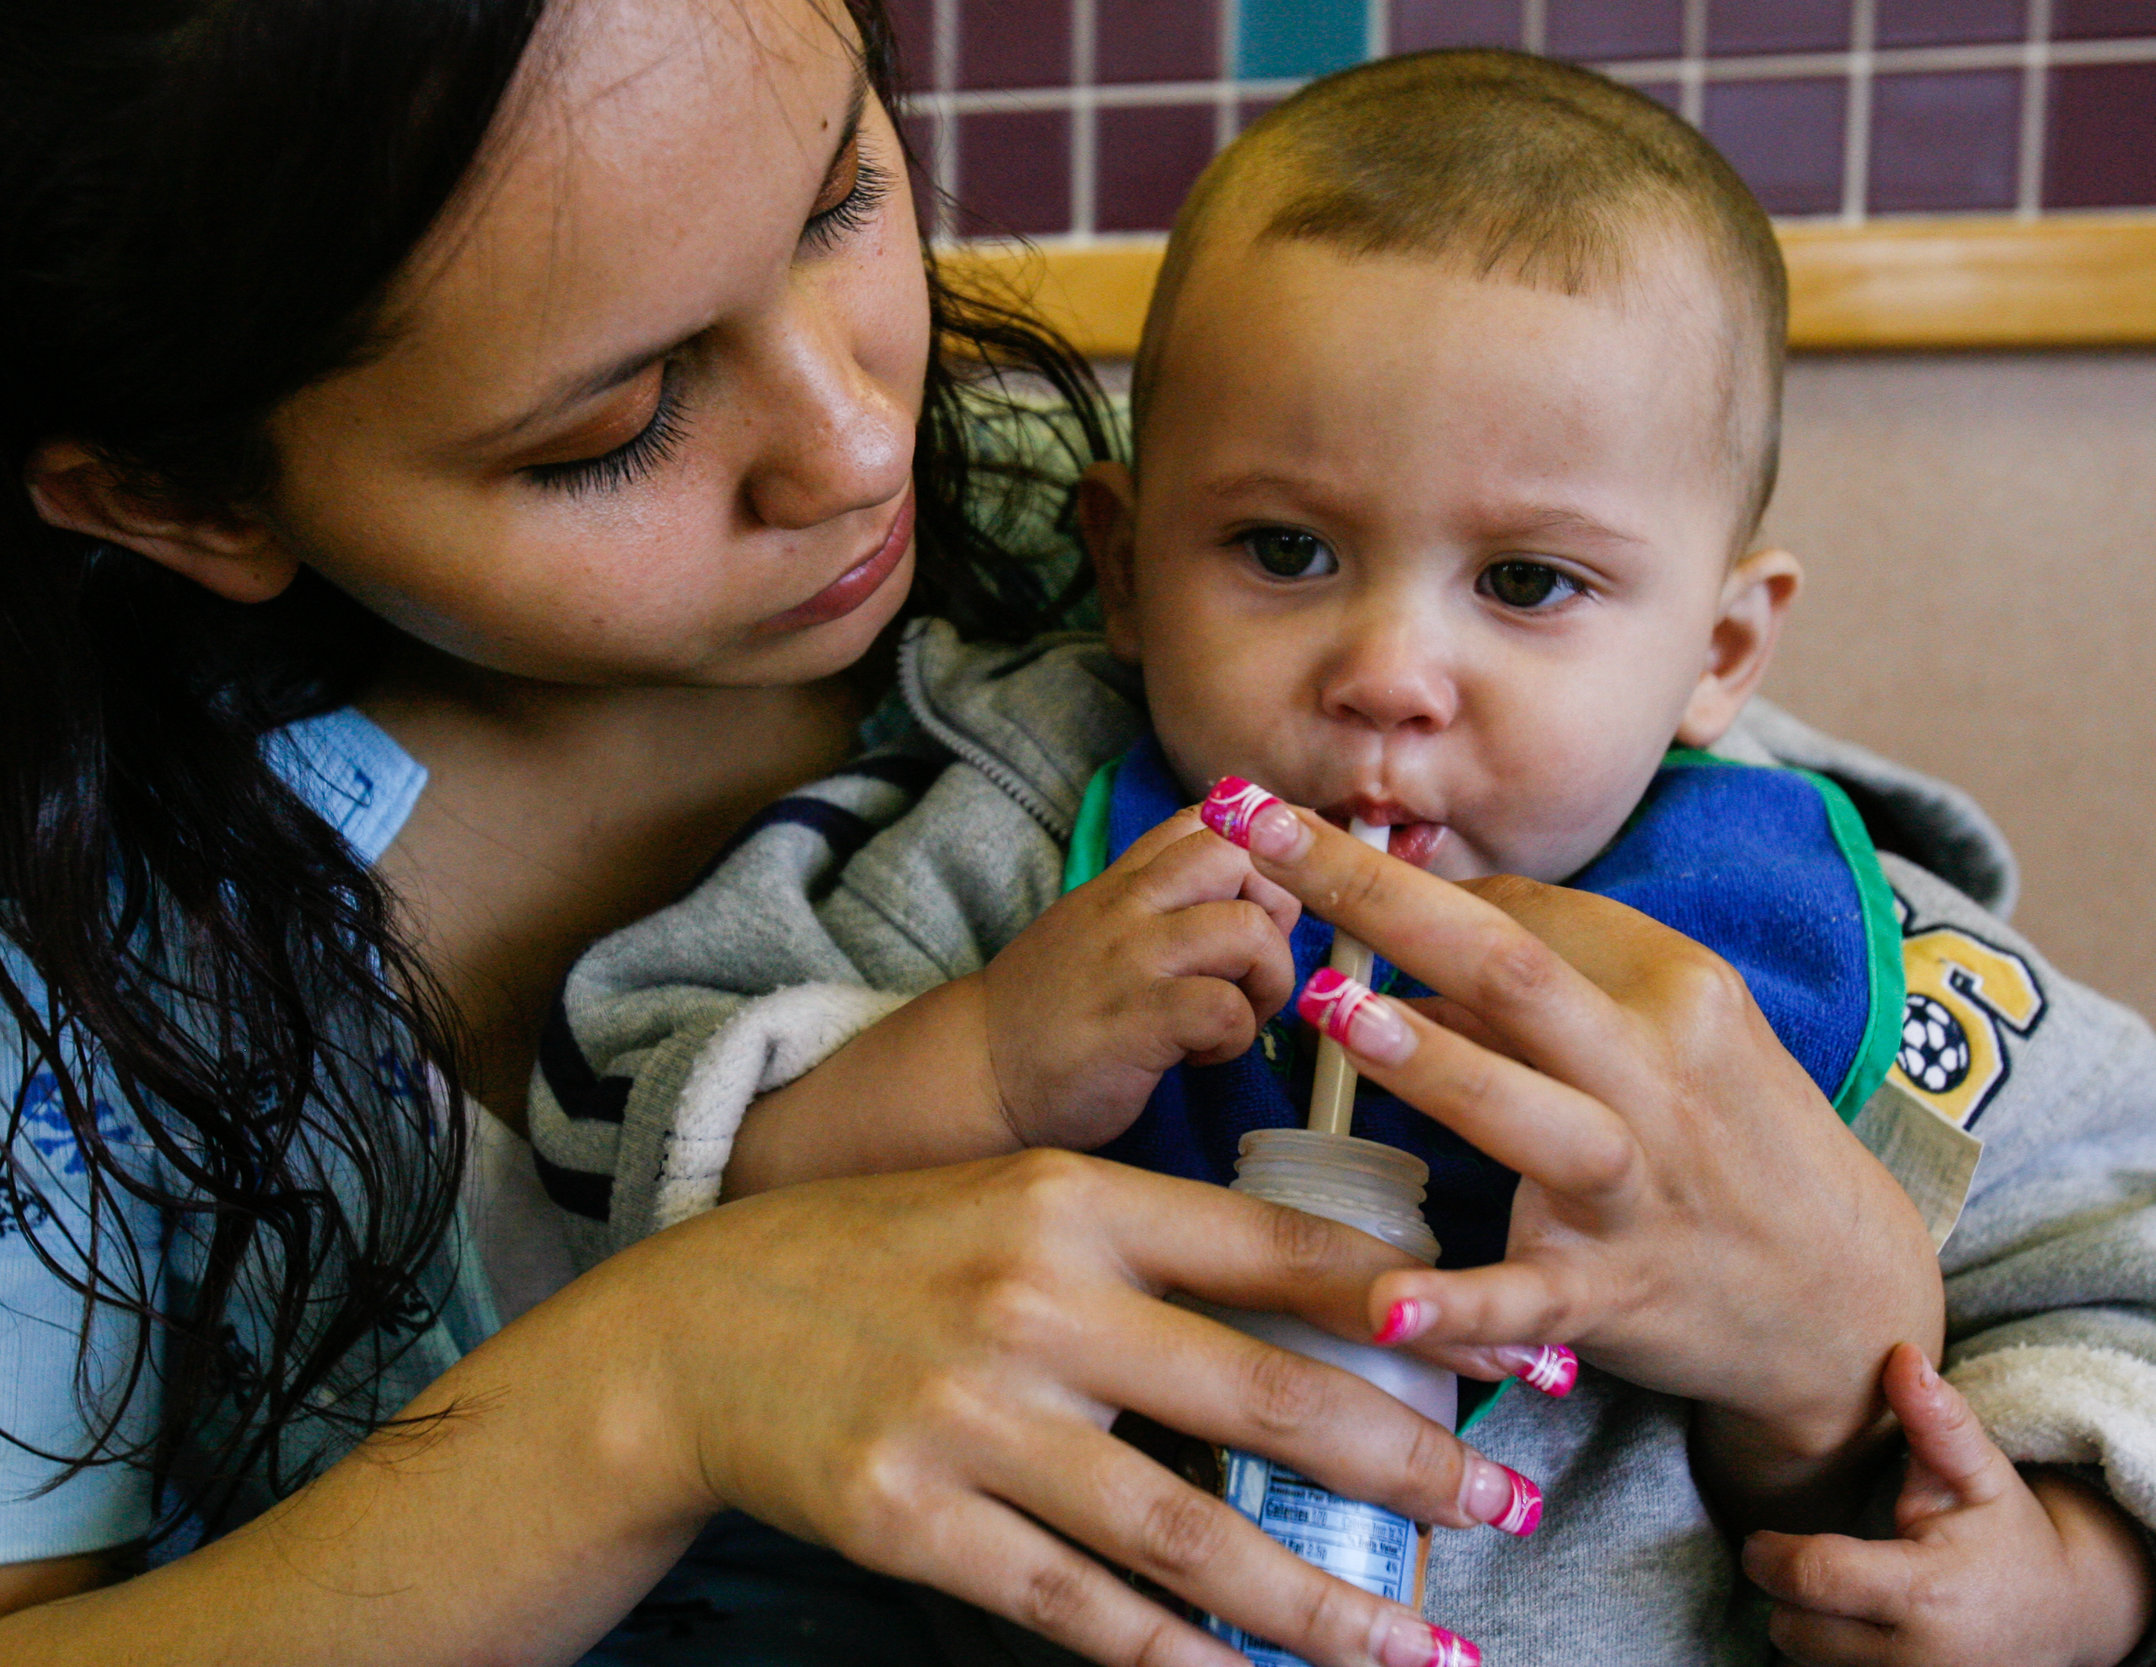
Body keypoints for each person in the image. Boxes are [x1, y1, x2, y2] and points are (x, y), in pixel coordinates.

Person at [0, 4, 1972, 1665]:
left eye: (842, 195)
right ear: (172, 488)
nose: (855, 439)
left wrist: (1841, 1365)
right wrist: (643, 1394)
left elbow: (1876, 1094)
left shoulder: (1161, 561)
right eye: (617, 423)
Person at [532, 53, 2156, 1666]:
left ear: (1721, 648)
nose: (1387, 669)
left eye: (1525, 582)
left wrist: (2069, 1579)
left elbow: (2120, 1254)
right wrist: (977, 1066)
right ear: (1124, 563)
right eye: (1284, 551)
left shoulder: (1824, 945)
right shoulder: (1014, 847)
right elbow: (610, 1125)